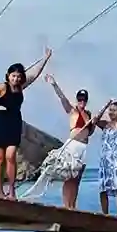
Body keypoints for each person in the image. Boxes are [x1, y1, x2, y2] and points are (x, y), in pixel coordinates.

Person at [40, 72, 93, 208]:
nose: (82, 101)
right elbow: (62, 98)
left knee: (77, 178)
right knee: (69, 176)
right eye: (80, 99)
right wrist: (54, 84)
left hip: (83, 147)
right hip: (73, 145)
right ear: (77, 99)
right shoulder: (72, 111)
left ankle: (72, 205)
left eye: (84, 99)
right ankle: (66, 204)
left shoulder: (89, 114)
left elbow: (90, 132)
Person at [0, 60, 33, 200]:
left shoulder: (21, 88)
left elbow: (34, 75)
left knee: (10, 157)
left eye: (18, 76)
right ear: (8, 75)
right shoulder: (2, 87)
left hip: (14, 122)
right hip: (0, 121)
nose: (15, 78)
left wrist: (46, 59)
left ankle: (11, 191)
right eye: (13, 76)